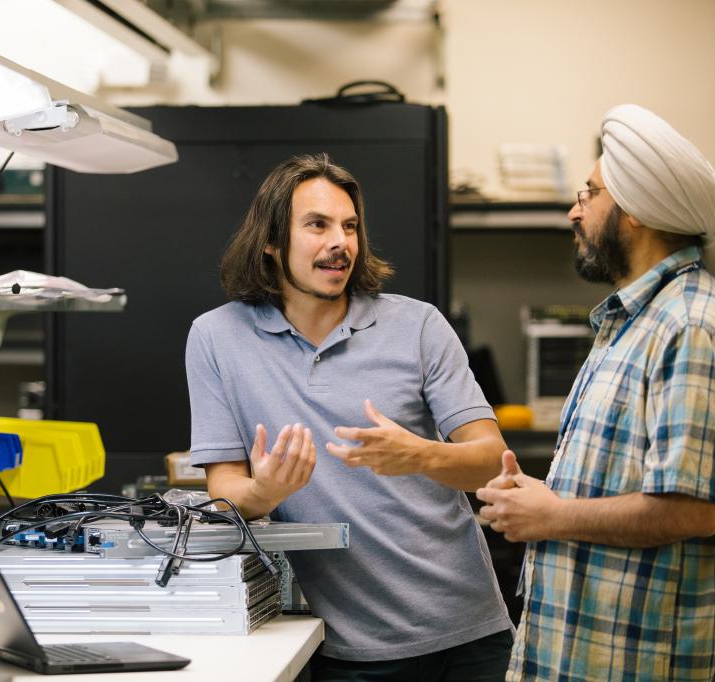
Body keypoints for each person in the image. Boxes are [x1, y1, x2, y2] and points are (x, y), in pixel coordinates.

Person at [186, 153, 515, 680]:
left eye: (350, 226)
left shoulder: (419, 325)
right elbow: (225, 489)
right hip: (349, 649)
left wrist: (420, 455)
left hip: (467, 632)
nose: (340, 241)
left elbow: (493, 464)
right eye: (317, 225)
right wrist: (266, 494)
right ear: (271, 241)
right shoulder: (216, 338)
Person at [476, 104, 715, 680]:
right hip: (590, 654)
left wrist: (551, 516)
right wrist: (541, 495)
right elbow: (625, 483)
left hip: (647, 660)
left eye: (590, 194)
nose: (573, 211)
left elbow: (691, 509)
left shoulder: (693, 327)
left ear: (634, 210)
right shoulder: (633, 322)